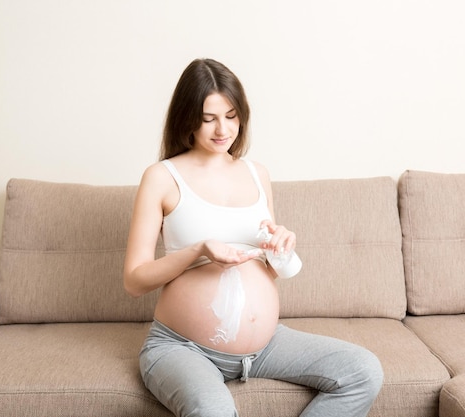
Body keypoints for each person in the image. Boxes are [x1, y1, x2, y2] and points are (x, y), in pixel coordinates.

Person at [124, 58, 383, 417]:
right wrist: (198, 251)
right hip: (182, 347)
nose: (222, 129)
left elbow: (269, 270)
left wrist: (281, 247)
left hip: (265, 346)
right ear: (187, 118)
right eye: (208, 117)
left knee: (362, 370)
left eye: (231, 115)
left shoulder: (257, 173)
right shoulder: (161, 177)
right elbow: (134, 280)